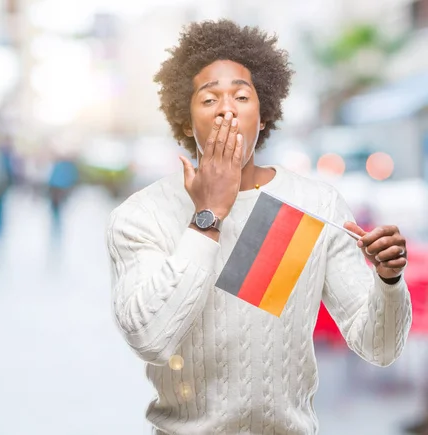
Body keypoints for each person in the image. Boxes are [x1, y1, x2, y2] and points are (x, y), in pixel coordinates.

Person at [105, 20, 412, 434]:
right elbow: (151, 339)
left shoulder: (312, 205)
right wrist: (209, 214)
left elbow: (379, 347)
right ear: (185, 116)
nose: (227, 109)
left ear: (263, 114)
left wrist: (388, 282)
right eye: (209, 98)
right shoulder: (141, 215)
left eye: (242, 96)